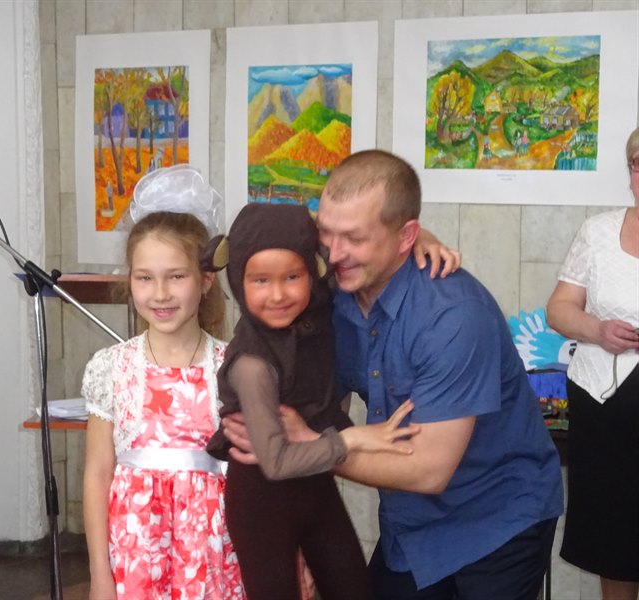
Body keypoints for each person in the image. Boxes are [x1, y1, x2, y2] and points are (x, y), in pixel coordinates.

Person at [226, 149, 564, 599]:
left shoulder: (454, 315)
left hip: (496, 519)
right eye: (326, 231)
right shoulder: (327, 292)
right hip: (411, 525)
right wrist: (297, 542)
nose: (333, 252)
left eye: (354, 238)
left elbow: (428, 470)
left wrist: (309, 446)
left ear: (405, 237)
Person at [200, 202, 420, 600]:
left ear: (312, 271)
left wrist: (425, 243)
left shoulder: (316, 307)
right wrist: (352, 439)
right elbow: (277, 462)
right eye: (260, 280)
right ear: (236, 279)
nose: (278, 294)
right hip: (262, 504)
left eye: (292, 276)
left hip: (316, 488)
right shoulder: (252, 364)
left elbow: (368, 248)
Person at [81, 167, 244, 599]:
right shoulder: (112, 368)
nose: (160, 293)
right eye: (145, 277)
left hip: (213, 561)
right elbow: (98, 473)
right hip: (135, 561)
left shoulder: (233, 366)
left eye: (176, 276)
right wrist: (100, 575)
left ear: (206, 280)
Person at [546, 128, 639, 600]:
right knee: (612, 544)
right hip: (602, 405)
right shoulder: (598, 232)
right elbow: (559, 309)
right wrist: (597, 330)